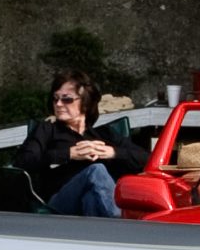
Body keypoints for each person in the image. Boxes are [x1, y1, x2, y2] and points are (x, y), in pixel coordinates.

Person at [17, 69, 148, 216]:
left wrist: (112, 152)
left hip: (91, 201)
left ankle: (96, 236)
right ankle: (122, 225)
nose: (59, 104)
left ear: (85, 103)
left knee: (90, 199)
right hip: (60, 201)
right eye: (55, 99)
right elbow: (24, 161)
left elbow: (146, 159)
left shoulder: (104, 134)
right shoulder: (47, 130)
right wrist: (68, 154)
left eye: (66, 99)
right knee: (96, 170)